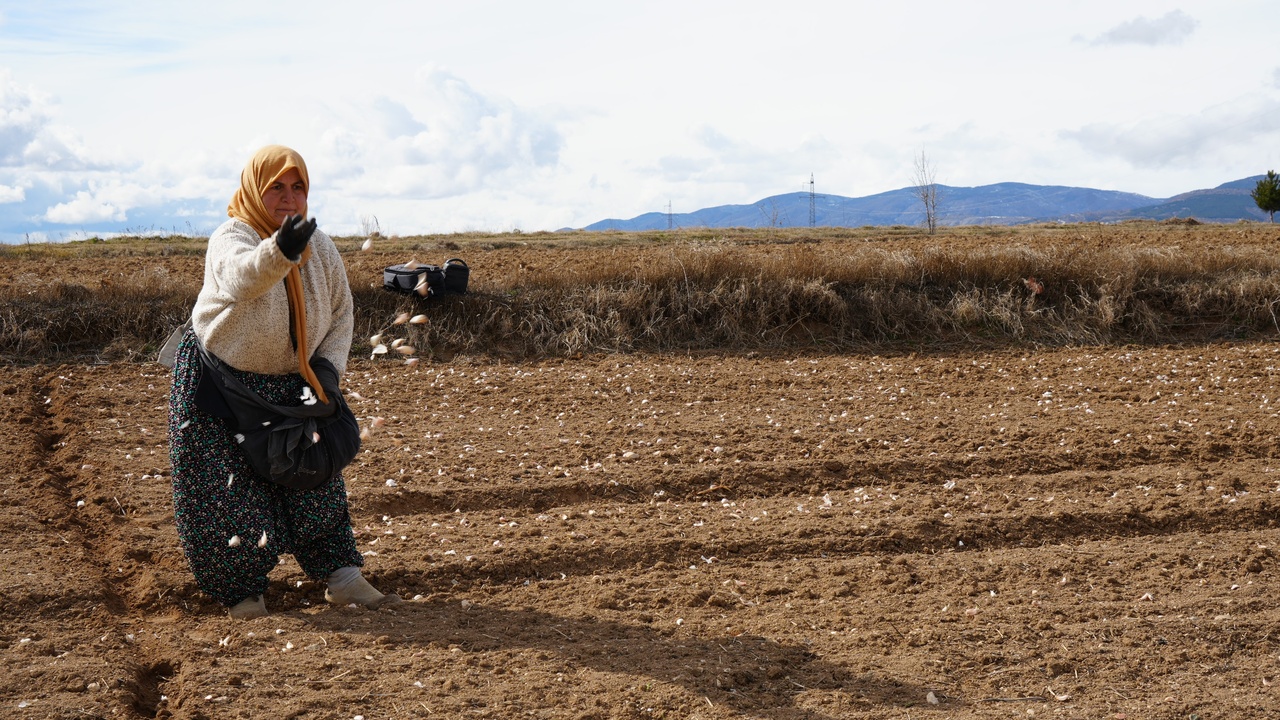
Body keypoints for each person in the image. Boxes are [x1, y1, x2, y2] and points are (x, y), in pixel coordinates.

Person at [168, 145, 398, 619]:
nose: (288, 198)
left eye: (298, 188)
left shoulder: (322, 248)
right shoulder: (231, 237)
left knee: (315, 476)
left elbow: (341, 314)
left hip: (296, 382)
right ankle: (244, 596)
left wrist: (329, 372)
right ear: (256, 189)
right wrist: (279, 251)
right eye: (277, 187)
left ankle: (343, 579)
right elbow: (240, 279)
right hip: (219, 384)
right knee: (225, 492)